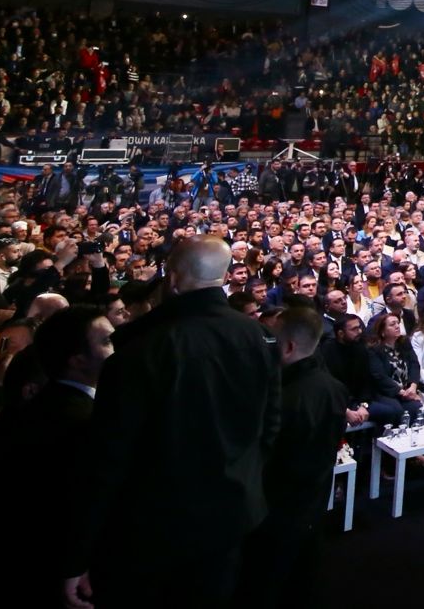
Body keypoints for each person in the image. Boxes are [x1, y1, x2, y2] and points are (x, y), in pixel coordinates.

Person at [63, 234, 281, 609]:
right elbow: (271, 424)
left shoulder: (141, 348)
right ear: (224, 277)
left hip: (153, 527)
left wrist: (78, 553)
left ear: (174, 279)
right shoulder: (258, 335)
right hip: (231, 512)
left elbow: (109, 458)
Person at [0, 306, 112, 603]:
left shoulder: (36, 408)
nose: (116, 347)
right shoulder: (83, 422)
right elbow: (77, 507)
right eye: (107, 340)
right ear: (77, 360)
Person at [237, 307, 346, 609]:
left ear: (287, 347)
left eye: (272, 339)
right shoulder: (334, 389)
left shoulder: (281, 397)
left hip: (273, 509)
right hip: (313, 502)